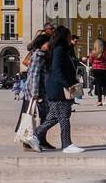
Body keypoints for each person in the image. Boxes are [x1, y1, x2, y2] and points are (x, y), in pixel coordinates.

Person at [28, 25, 84, 154]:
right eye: (69, 36)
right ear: (63, 37)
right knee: (64, 117)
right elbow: (57, 70)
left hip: (57, 88)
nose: (71, 38)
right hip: (58, 89)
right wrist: (68, 84)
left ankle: (34, 136)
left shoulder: (61, 49)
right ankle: (67, 144)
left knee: (53, 118)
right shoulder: (59, 49)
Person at [87, 38, 106, 107]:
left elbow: (90, 60)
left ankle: (99, 101)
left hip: (96, 70)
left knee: (98, 85)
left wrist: (93, 64)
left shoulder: (94, 51)